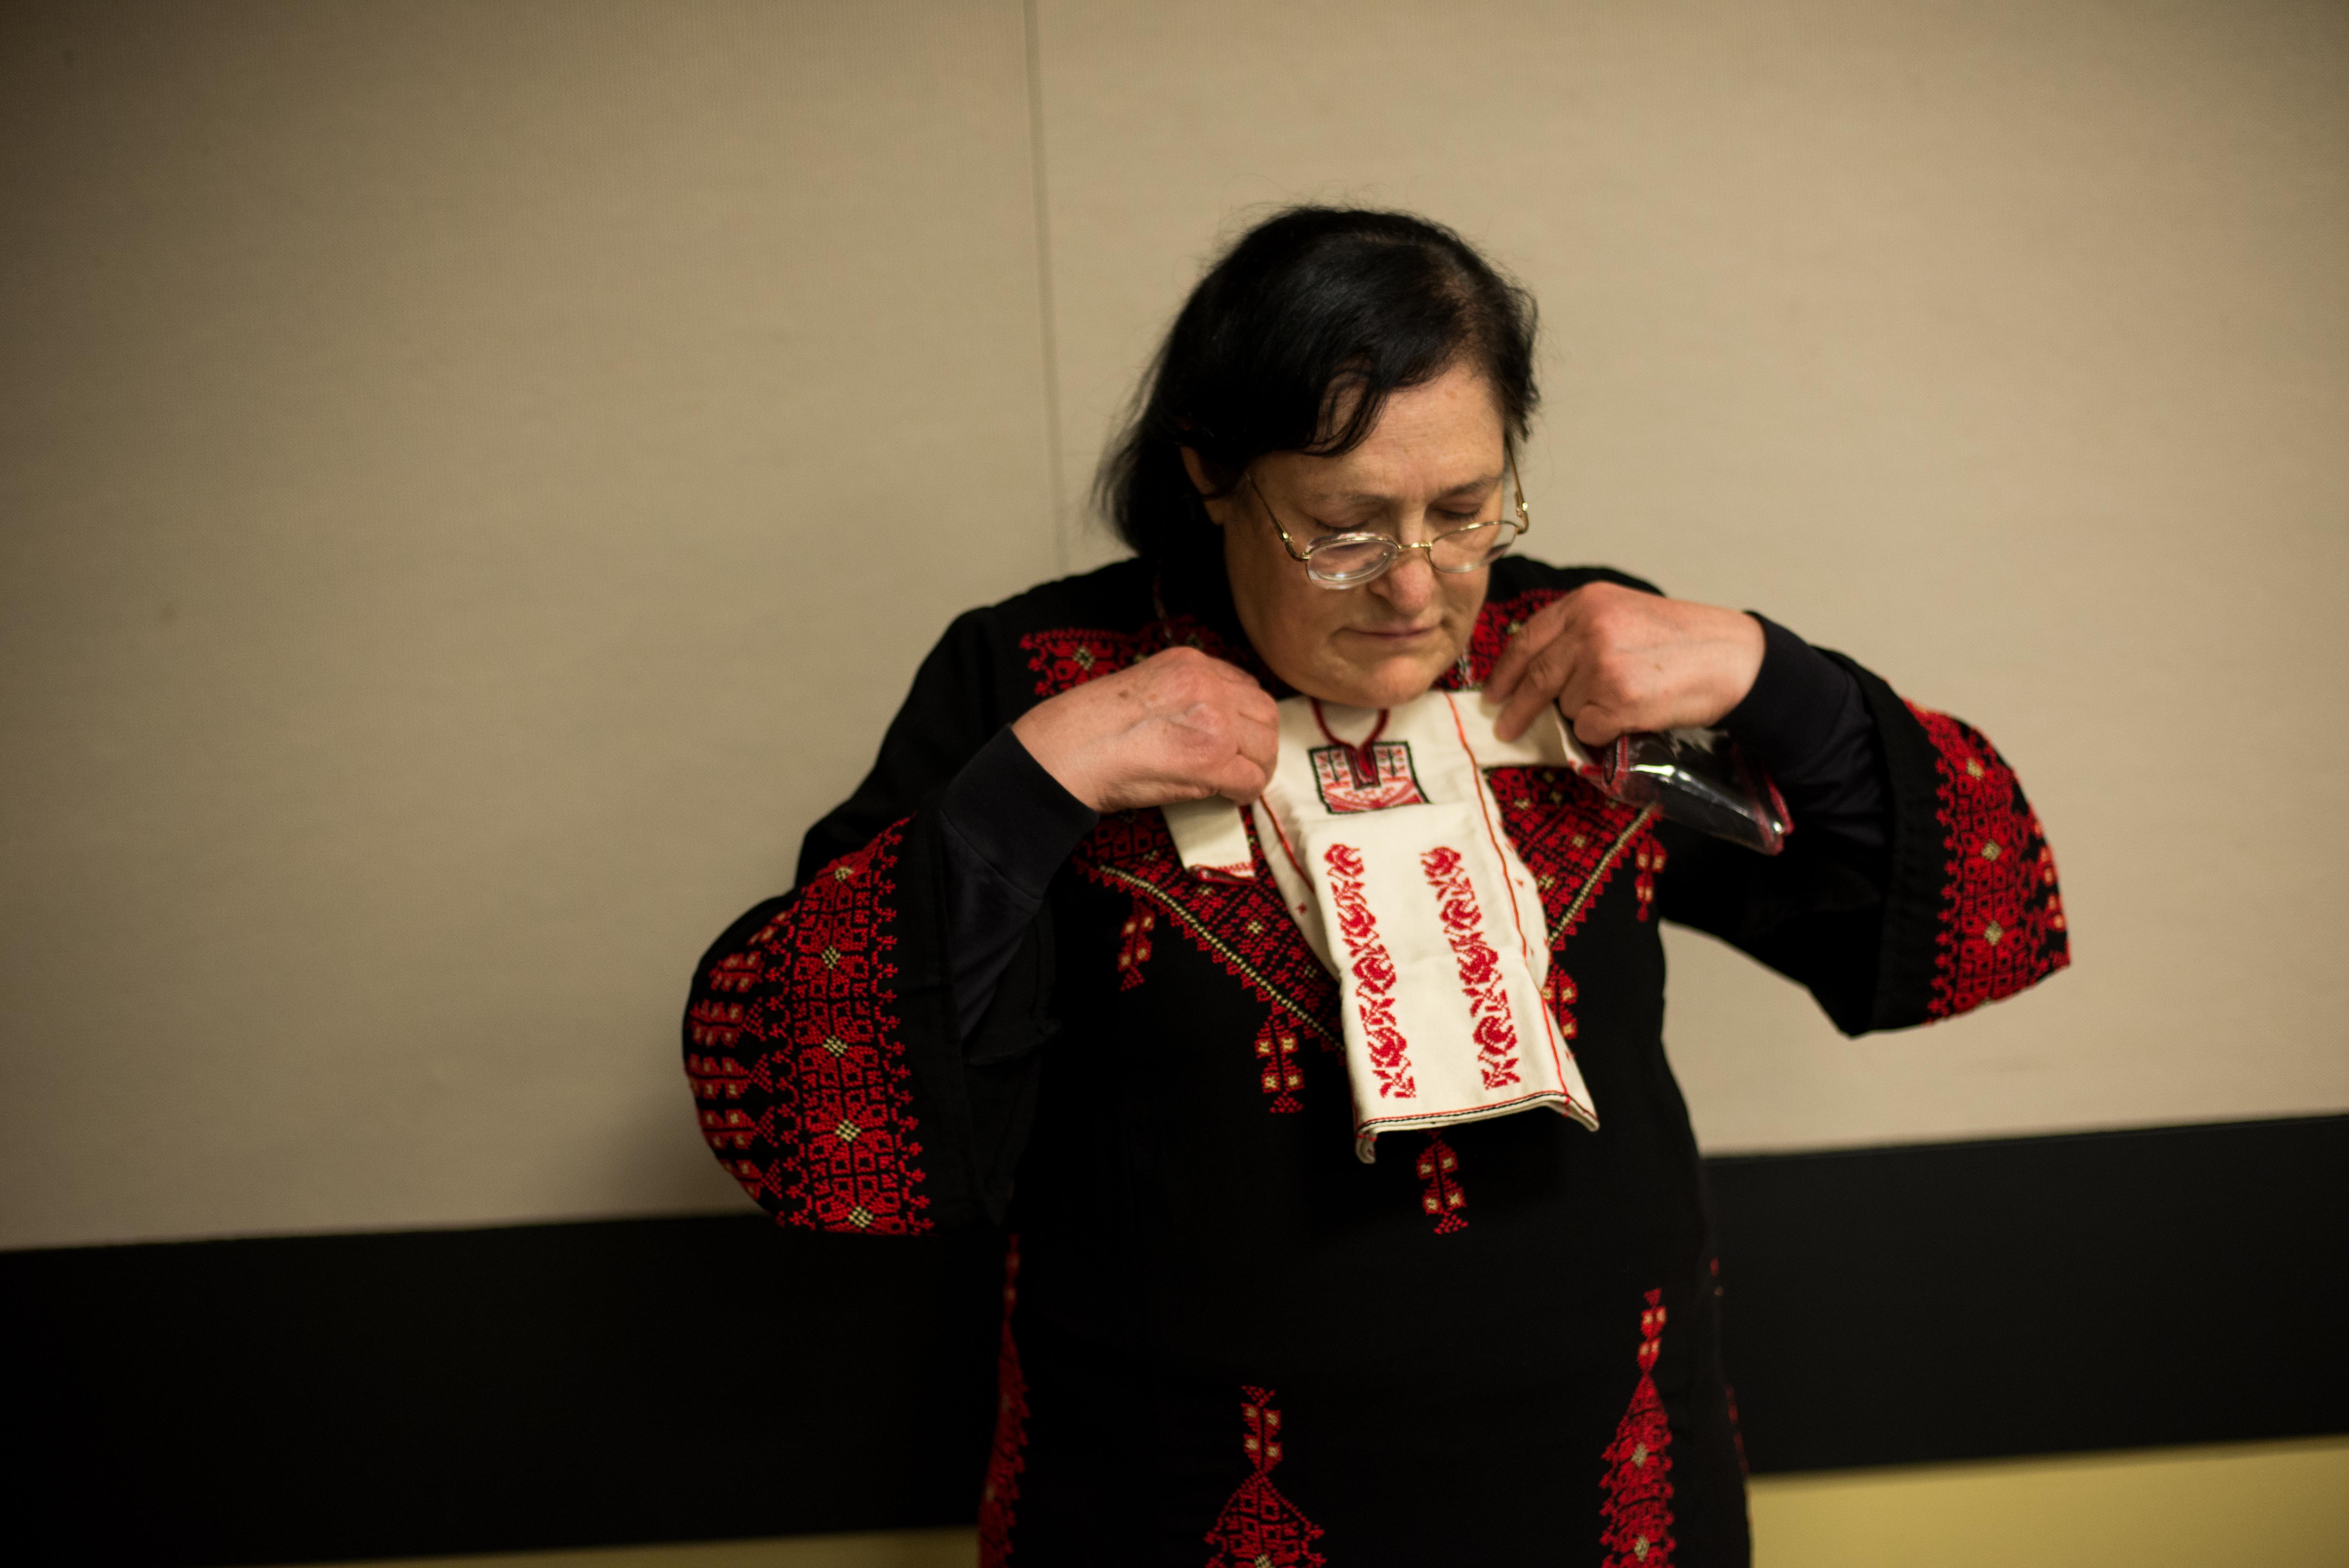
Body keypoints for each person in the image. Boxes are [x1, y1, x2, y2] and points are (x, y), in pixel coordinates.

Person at [682, 208, 2067, 1566]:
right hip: (1179, 1497)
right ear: (1211, 468)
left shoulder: (1570, 656)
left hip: (1609, 1486)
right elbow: (805, 1119)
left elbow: (1976, 921)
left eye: (1463, 513)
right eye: (1344, 527)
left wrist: (1783, 681)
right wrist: (1033, 786)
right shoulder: (1038, 675)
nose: (1416, 588)